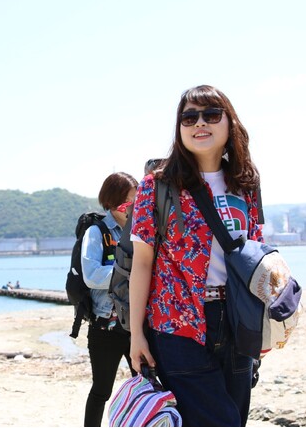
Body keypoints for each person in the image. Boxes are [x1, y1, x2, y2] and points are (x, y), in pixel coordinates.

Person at [129, 85, 263, 427]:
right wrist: (136, 334)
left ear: (230, 123)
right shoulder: (156, 186)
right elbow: (142, 263)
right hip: (176, 323)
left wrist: (265, 319)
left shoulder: (245, 184)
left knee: (234, 418)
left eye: (211, 115)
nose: (199, 123)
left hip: (238, 320)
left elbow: (256, 254)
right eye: (189, 117)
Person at [82, 171, 139, 427]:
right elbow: (92, 275)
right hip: (106, 325)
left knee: (146, 385)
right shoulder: (97, 232)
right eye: (127, 203)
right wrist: (131, 273)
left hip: (137, 325)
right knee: (101, 390)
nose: (132, 208)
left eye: (136, 202)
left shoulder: (140, 230)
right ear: (111, 202)